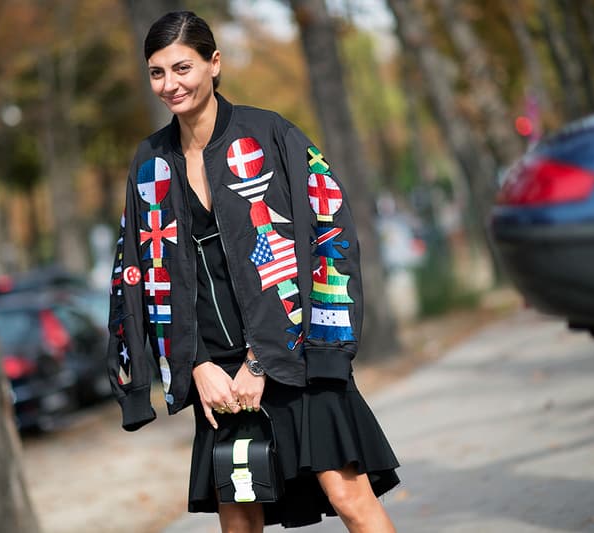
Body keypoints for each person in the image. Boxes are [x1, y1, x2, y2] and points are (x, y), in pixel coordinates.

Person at [107, 11, 400, 532]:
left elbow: (332, 233)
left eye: (182, 68)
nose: (170, 84)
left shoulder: (272, 135)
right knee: (240, 523)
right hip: (217, 377)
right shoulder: (149, 163)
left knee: (350, 498)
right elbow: (138, 272)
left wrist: (266, 362)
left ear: (214, 63)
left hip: (298, 352)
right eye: (157, 72)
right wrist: (193, 367)